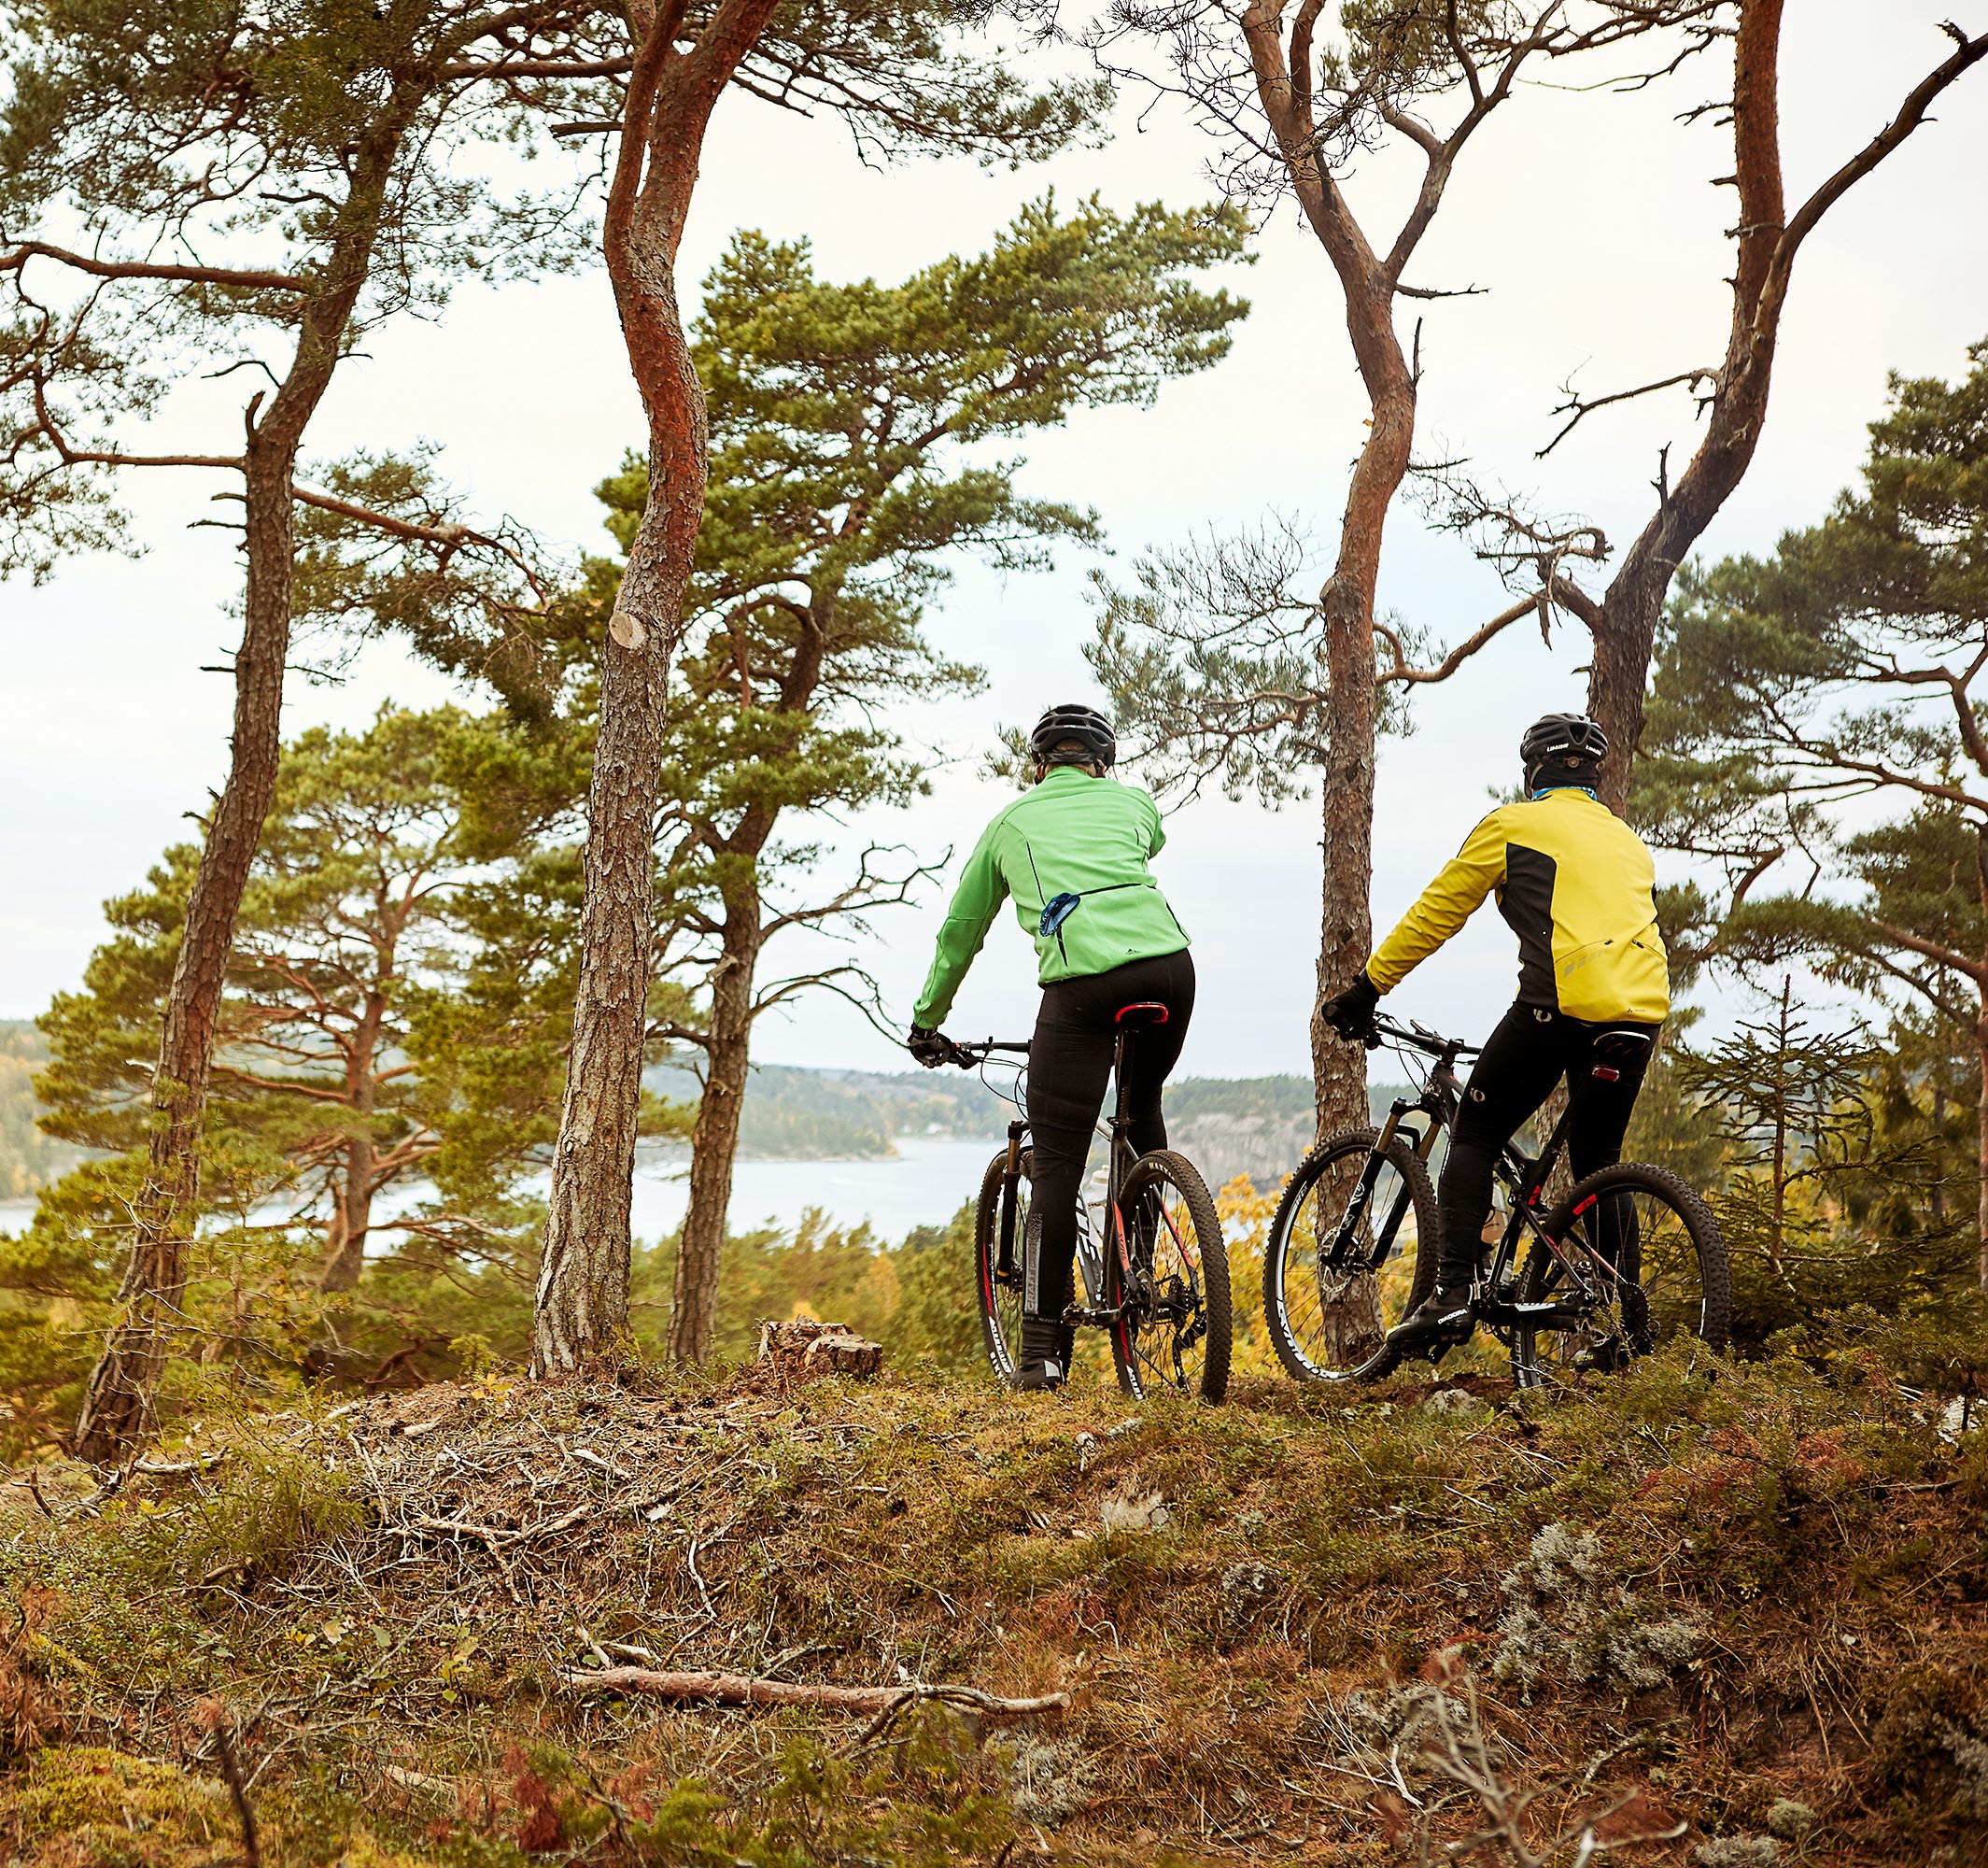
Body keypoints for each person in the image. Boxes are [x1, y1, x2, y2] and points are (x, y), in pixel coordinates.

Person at [1318, 713, 1670, 1354]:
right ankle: (1631, 1328)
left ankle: (1449, 1296)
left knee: (1477, 1130)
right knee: (1599, 1165)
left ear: (1530, 771)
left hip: (1559, 1005)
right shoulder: (1627, 840)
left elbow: (1437, 912)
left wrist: (1367, 987)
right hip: (1640, 1010)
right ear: (1593, 776)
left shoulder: (1511, 825)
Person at [908, 704, 1193, 1389]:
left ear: (1038, 767)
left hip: (1083, 985)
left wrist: (928, 1018)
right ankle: (1143, 1274)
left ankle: (1039, 1353)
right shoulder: (1132, 801)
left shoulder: (1011, 821)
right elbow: (1149, 840)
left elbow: (962, 930)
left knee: (1060, 1158)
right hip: (1170, 969)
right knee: (1140, 1106)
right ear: (1102, 762)